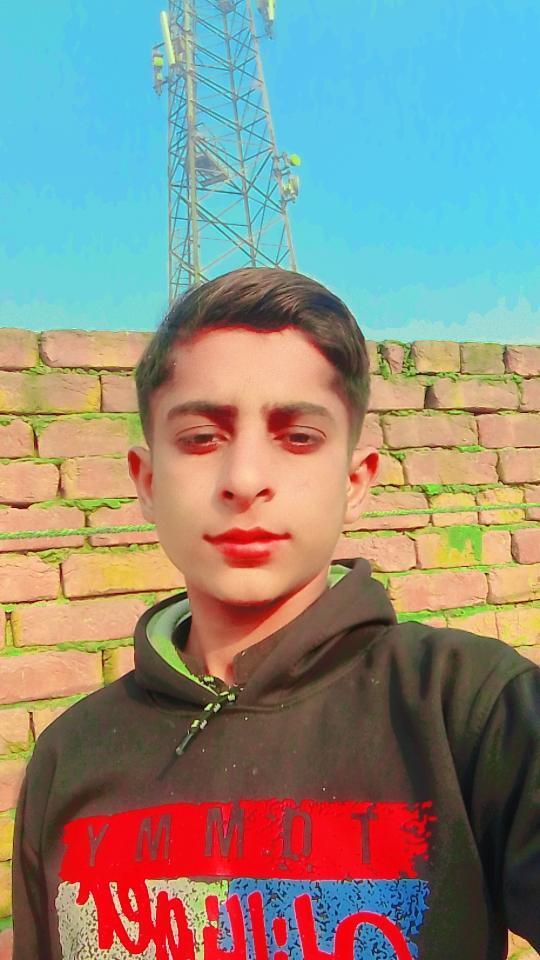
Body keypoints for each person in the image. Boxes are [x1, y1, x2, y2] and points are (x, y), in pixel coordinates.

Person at [12, 266, 540, 959]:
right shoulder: (70, 756)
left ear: (355, 481)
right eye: (202, 437)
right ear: (147, 480)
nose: (244, 480)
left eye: (297, 437)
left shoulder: (472, 711)